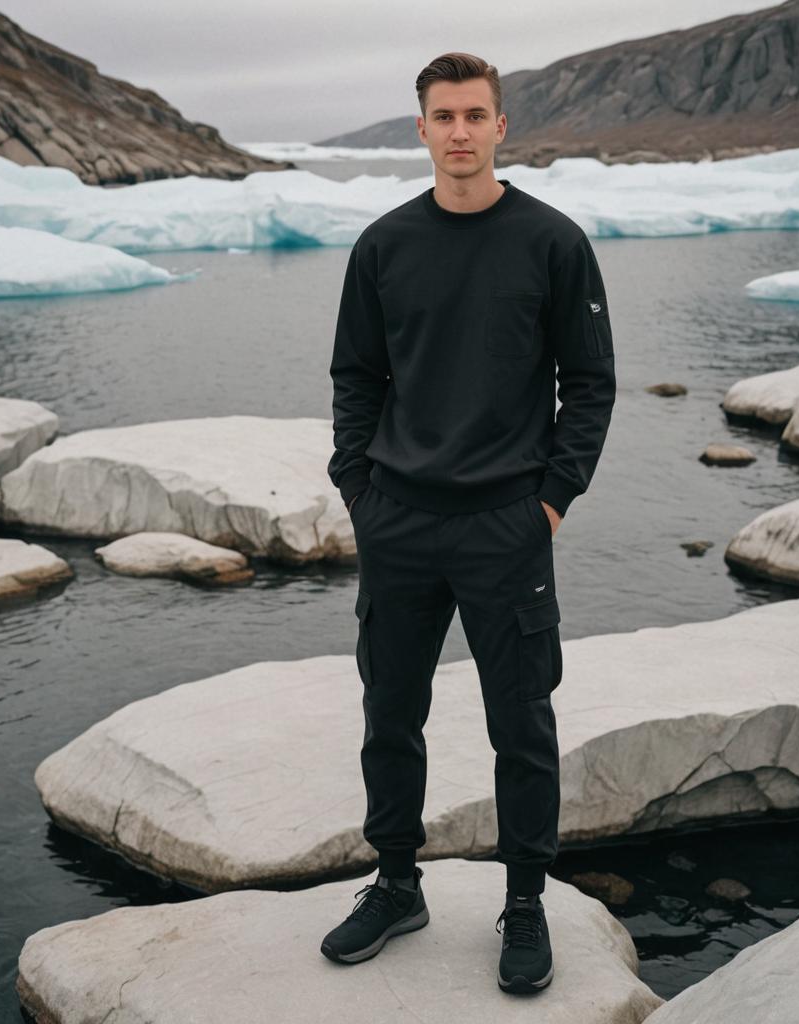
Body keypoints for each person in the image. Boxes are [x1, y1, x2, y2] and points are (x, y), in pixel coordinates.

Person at [320, 51, 616, 994]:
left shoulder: (553, 242)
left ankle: (524, 901)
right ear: (421, 129)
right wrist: (359, 491)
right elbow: (356, 377)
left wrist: (551, 500)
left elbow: (592, 383)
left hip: (505, 526)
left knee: (520, 723)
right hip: (400, 522)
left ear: (499, 127)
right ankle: (397, 883)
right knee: (389, 716)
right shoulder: (383, 246)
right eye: (441, 115)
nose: (458, 131)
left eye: (474, 114)